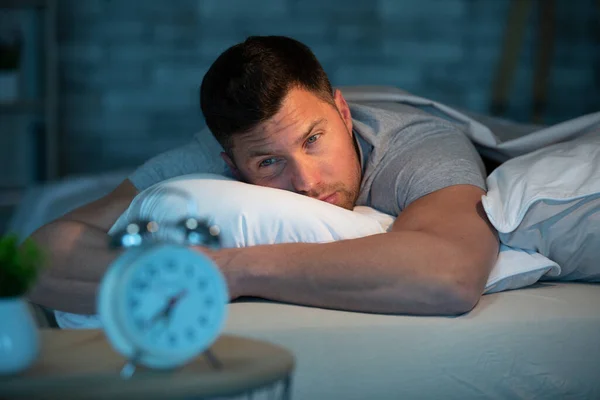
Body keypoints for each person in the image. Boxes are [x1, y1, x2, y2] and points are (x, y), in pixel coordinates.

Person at [27, 36, 499, 316]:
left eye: (313, 139)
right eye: (269, 163)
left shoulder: (418, 149)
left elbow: (451, 275)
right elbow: (43, 254)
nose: (307, 181)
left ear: (342, 111)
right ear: (231, 165)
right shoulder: (206, 157)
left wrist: (228, 271)